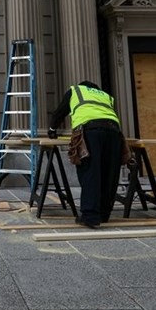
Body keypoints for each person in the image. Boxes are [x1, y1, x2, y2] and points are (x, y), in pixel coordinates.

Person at [50, 81, 124, 228]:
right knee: (109, 174)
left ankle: (90, 217)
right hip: (114, 133)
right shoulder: (105, 96)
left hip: (91, 131)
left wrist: (52, 129)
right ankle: (103, 214)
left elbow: (60, 112)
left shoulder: (75, 91)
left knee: (90, 171)